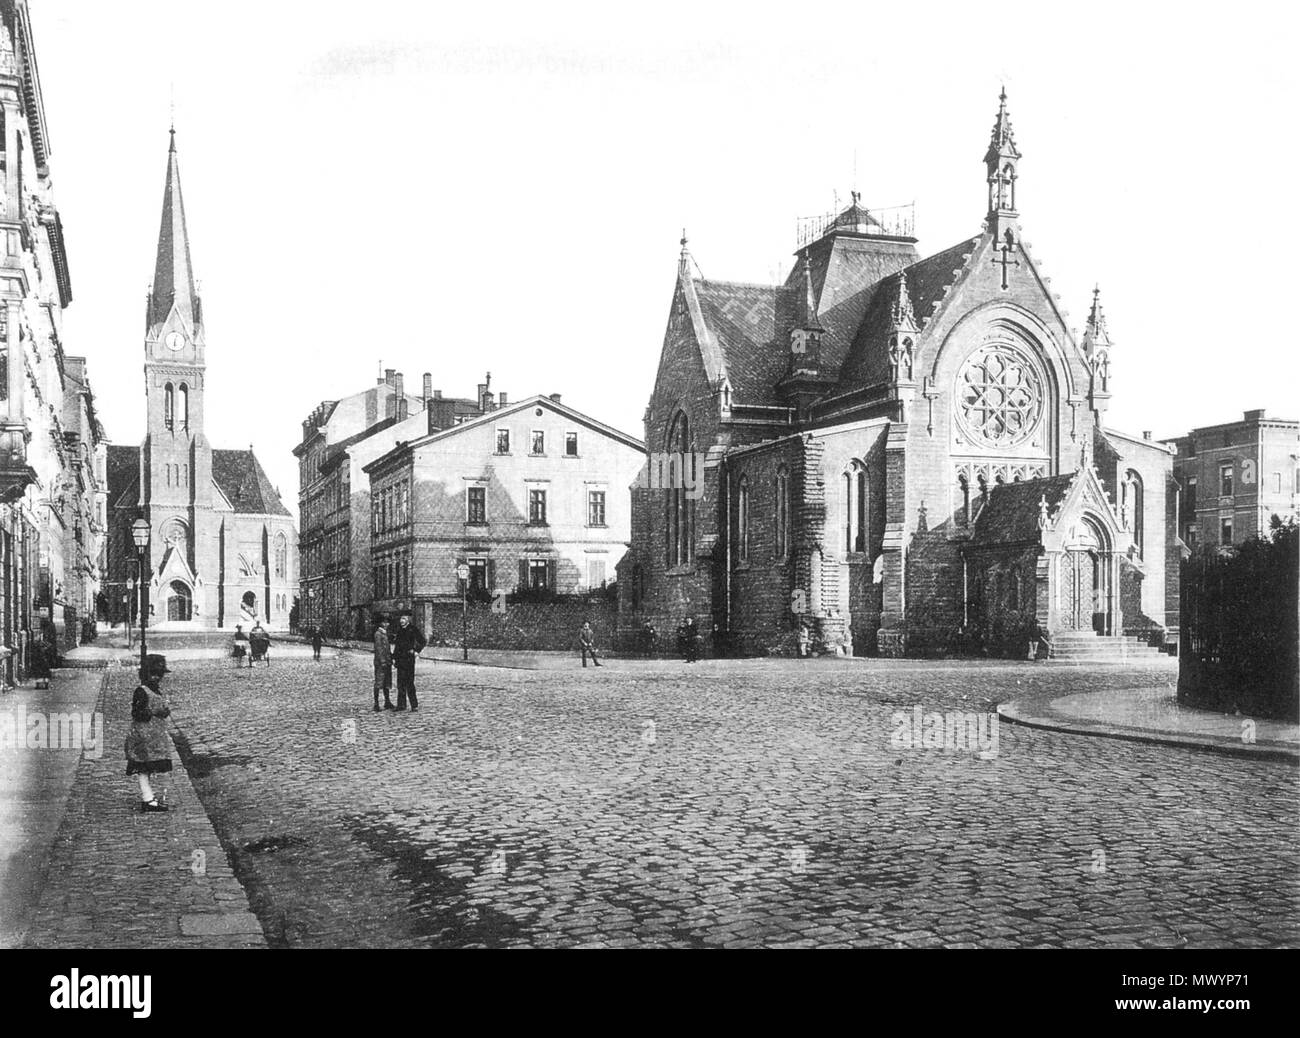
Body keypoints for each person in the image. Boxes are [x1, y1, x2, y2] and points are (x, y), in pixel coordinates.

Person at [125, 654, 173, 813]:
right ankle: (148, 799)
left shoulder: (155, 690)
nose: (156, 678)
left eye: (159, 675)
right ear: (145, 674)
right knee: (143, 768)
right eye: (153, 674)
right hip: (143, 737)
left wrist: (164, 711)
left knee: (149, 767)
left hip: (153, 737)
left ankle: (149, 797)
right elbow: (137, 713)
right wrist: (154, 711)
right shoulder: (141, 691)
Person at [392, 613, 426, 711]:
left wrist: (416, 650)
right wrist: (394, 658)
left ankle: (414, 705)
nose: (401, 620)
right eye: (401, 618)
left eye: (404, 618)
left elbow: (422, 641)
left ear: (408, 619)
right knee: (400, 683)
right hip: (400, 660)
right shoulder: (399, 630)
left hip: (409, 659)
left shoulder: (413, 629)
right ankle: (401, 705)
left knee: (409, 683)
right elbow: (397, 646)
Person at [373, 616, 394, 712]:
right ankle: (376, 704)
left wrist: (390, 659)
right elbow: (379, 649)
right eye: (385, 622)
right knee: (379, 682)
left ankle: (387, 701)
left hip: (387, 661)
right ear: (381, 623)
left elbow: (387, 649)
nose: (387, 624)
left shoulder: (384, 634)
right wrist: (382, 661)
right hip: (381, 662)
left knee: (386, 682)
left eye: (387, 622)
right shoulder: (378, 634)